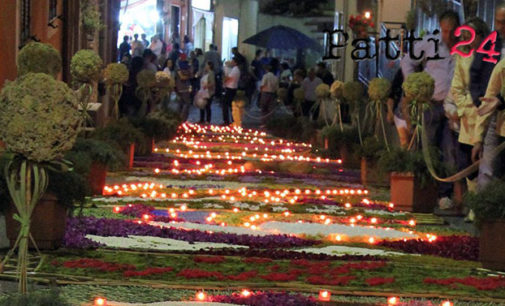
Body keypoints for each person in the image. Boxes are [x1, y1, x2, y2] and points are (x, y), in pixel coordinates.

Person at [401, 10, 459, 210]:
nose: (448, 36)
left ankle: (445, 193)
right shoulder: (430, 42)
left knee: (449, 150)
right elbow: (408, 61)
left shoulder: (462, 48)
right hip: (432, 103)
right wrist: (414, 85)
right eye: (444, 31)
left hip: (453, 106)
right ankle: (423, 188)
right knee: (427, 146)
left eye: (451, 31)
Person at [451, 17, 489, 198]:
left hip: (487, 114)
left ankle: (483, 201)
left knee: (486, 161)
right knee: (467, 161)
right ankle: (473, 201)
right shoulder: (463, 58)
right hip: (468, 116)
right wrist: (463, 109)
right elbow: (457, 87)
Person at [471, 3, 505, 191]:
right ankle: (485, 210)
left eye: (504, 23)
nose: (500, 27)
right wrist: (478, 138)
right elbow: (485, 89)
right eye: (498, 22)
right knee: (488, 168)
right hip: (494, 116)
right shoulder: (492, 45)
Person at [222, 58, 240, 125]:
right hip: (233, 88)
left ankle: (227, 120)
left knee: (225, 104)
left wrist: (224, 79)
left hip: (230, 88)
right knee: (229, 105)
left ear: (235, 62)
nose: (231, 62)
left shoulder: (235, 70)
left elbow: (228, 78)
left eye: (232, 61)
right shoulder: (236, 70)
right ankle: (231, 119)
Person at [175, 57, 192, 121]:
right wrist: (188, 76)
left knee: (181, 103)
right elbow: (183, 77)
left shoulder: (181, 69)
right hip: (183, 88)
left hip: (182, 88)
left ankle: (179, 117)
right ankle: (182, 118)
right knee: (185, 103)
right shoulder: (180, 70)